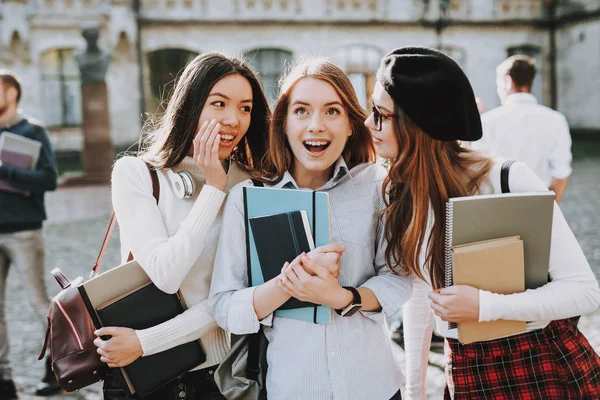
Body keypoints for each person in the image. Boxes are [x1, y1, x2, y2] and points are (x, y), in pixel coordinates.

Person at [366, 46, 600, 400]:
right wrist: (415, 392)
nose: (369, 124)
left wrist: (486, 307)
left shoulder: (508, 179)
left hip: (541, 364)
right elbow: (420, 297)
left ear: (418, 124)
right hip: (465, 370)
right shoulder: (400, 194)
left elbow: (584, 290)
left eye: (381, 114)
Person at [209, 58, 412, 400]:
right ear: (284, 123)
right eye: (301, 111)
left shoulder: (376, 185)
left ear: (350, 123)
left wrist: (341, 297)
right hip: (294, 387)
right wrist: (287, 284)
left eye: (332, 111)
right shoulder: (249, 197)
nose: (316, 125)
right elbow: (224, 306)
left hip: (374, 386)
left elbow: (398, 278)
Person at [92, 52, 270, 400]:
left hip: (216, 378)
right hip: (138, 376)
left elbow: (230, 297)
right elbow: (166, 272)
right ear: (190, 105)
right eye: (219, 103)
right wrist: (213, 190)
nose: (233, 119)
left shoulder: (251, 186)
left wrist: (146, 342)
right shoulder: (136, 175)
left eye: (245, 108)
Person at [0, 70, 60, 398]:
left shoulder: (33, 132)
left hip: (24, 232)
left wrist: (6, 172)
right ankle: (4, 380)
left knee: (39, 302)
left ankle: (57, 366)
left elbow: (49, 179)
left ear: (11, 94)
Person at [475, 55, 573, 203]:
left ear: (508, 81)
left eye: (498, 83)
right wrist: (550, 208)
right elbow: (560, 174)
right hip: (539, 202)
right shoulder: (556, 120)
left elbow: (475, 169)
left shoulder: (487, 121)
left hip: (497, 204)